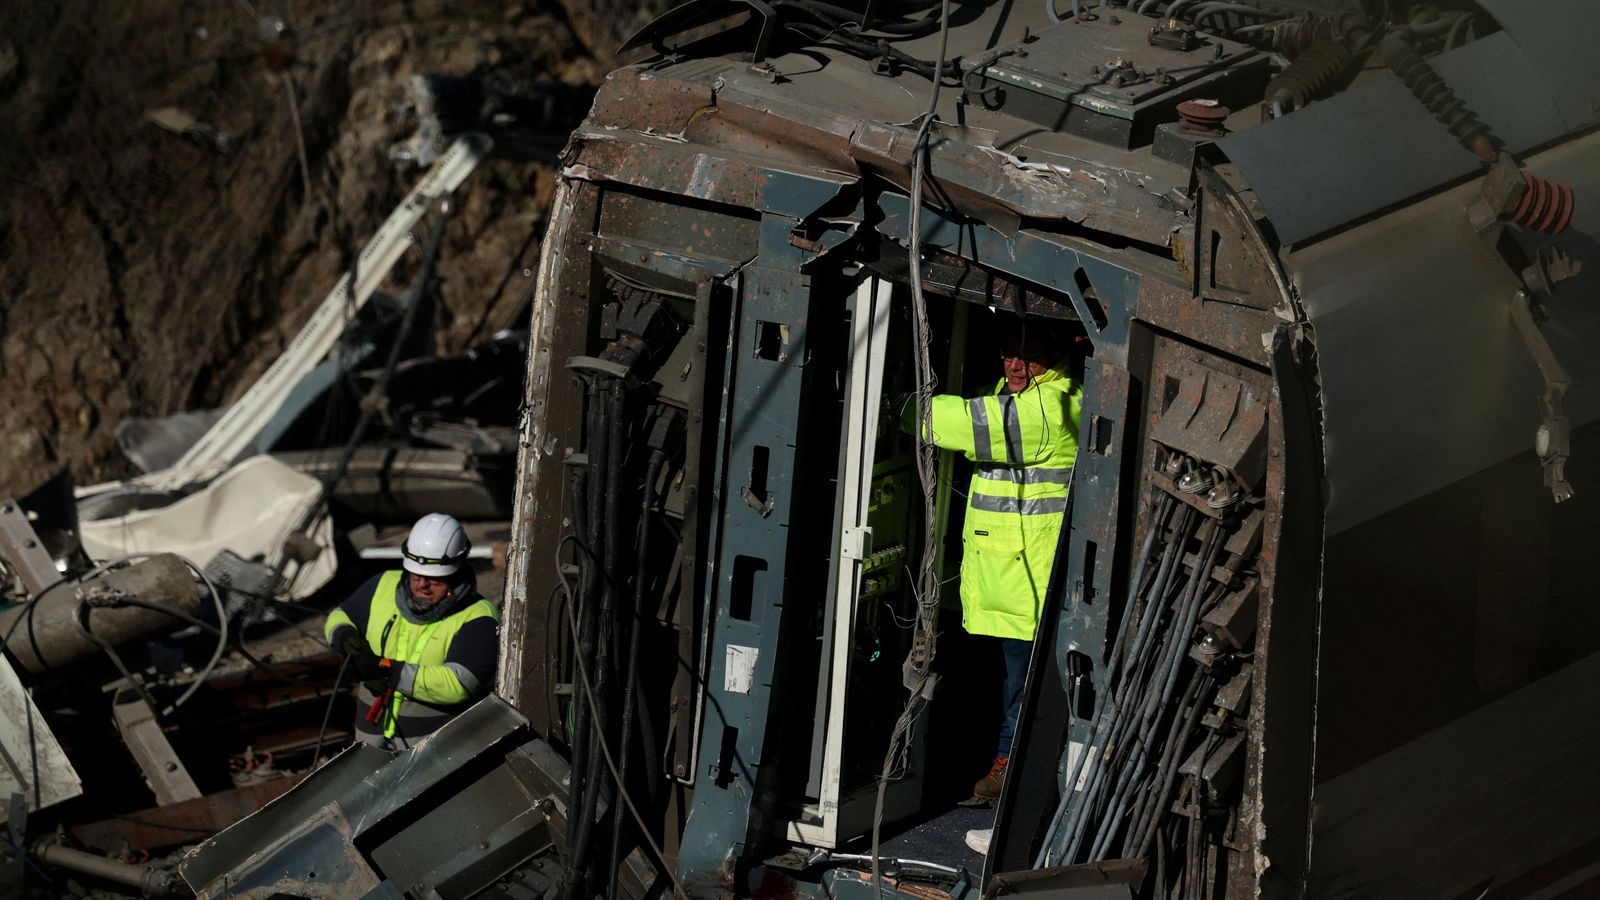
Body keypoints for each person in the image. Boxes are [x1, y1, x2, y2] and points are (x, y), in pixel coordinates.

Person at [912, 321, 1082, 801]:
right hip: (1010, 579)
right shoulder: (1027, 395)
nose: (1014, 366)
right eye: (1009, 353)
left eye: (1028, 358)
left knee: (1025, 688)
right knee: (1014, 682)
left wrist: (898, 403)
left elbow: (950, 423)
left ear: (1055, 359)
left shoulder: (1046, 409)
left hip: (1029, 585)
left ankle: (1018, 775)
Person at [324, 512, 500, 750]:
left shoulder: (479, 616)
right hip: (370, 741)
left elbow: (457, 683)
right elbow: (339, 615)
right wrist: (344, 635)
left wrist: (386, 670)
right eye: (416, 575)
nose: (422, 585)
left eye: (435, 579)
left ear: (456, 572)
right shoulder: (382, 584)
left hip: (430, 753)